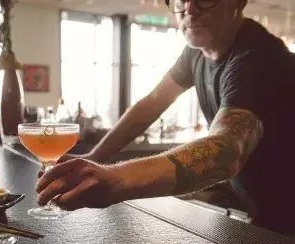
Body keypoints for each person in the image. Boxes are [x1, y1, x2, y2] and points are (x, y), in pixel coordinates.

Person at [36, 0, 294, 232]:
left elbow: (227, 151)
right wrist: (95, 156)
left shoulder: (259, 58)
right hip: (260, 208)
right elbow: (153, 102)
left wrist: (115, 180)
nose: (190, 10)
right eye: (181, 0)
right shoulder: (196, 52)